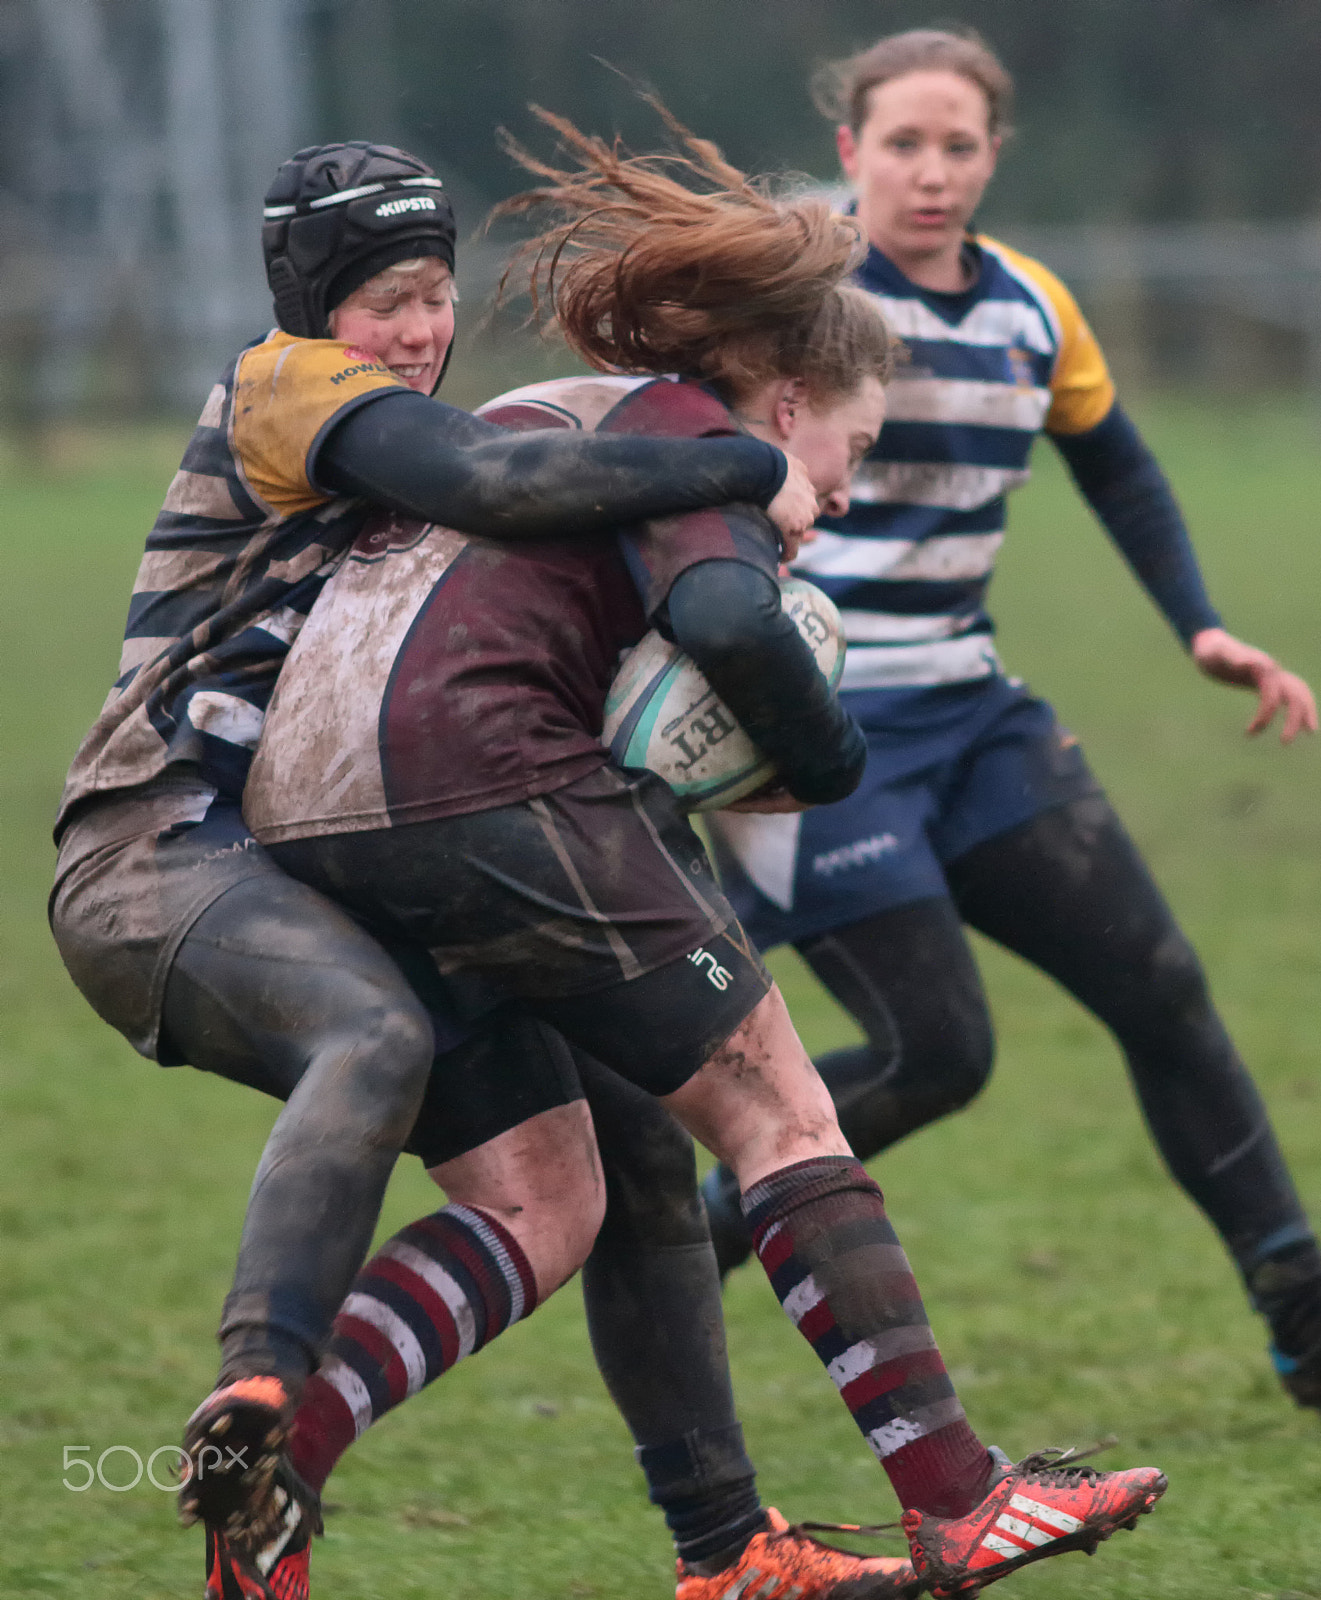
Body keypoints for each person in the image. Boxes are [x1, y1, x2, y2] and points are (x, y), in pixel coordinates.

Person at [241, 105, 1168, 1600]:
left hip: (324, 817)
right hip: (482, 786)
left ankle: (278, 1472)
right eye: (852, 452)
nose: (848, 494)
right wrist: (825, 757)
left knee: (572, 1192)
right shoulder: (701, 442)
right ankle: (959, 1495)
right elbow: (730, 626)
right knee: (788, 1116)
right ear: (790, 399)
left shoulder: (563, 411)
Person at [46, 138, 867, 1600]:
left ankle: (729, 1550)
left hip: (342, 861)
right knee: (373, 1036)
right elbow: (497, 476)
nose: (421, 329)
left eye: (435, 294)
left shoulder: (391, 428)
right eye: (387, 300)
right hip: (159, 851)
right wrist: (748, 462)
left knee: (627, 1163)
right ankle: (259, 1396)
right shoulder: (294, 385)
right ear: (315, 304)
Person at [699, 28, 1321, 1412]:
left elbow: (1121, 470)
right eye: (902, 143)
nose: (931, 172)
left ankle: (1312, 1322)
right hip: (805, 742)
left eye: (958, 146)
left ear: (995, 156)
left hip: (974, 716)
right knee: (935, 1053)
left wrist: (1202, 626)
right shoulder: (786, 291)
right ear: (849, 151)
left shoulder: (1031, 311)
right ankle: (672, 1239)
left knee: (1163, 990)